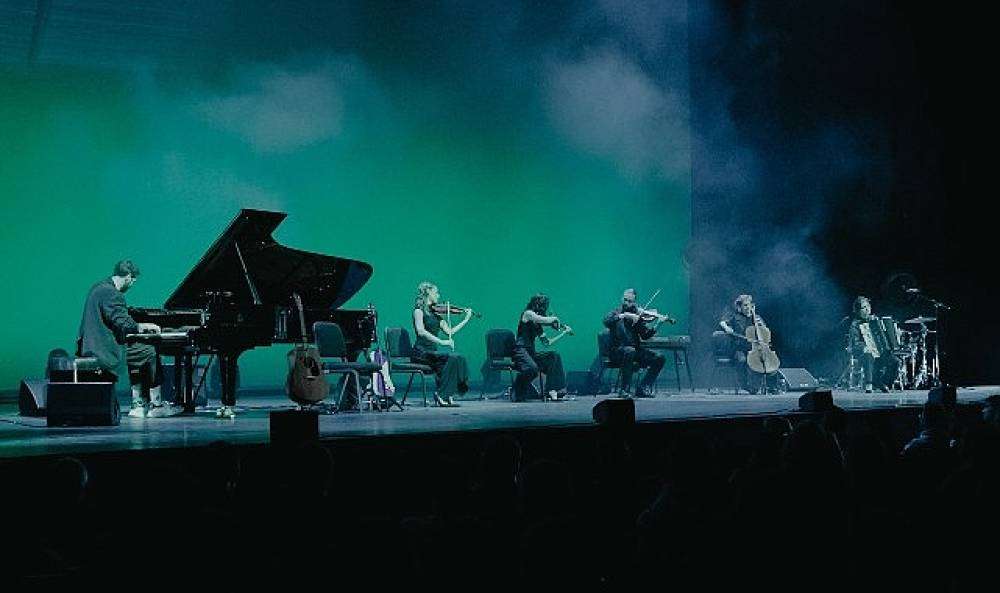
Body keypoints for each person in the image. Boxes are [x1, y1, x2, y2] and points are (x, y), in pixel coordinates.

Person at [77, 259, 181, 418]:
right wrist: (143, 326)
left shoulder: (99, 287)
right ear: (128, 277)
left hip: (92, 345)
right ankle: (156, 404)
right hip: (104, 349)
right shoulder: (112, 293)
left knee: (138, 348)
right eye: (133, 280)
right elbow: (122, 322)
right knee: (149, 351)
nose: (132, 284)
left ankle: (138, 404)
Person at [411, 281, 473, 406]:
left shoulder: (437, 315)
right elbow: (421, 331)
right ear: (428, 293)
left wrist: (466, 319)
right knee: (452, 358)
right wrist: (442, 342)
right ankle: (443, 394)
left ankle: (446, 393)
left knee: (458, 358)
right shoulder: (418, 311)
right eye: (436, 292)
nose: (438, 295)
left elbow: (450, 331)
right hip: (421, 353)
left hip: (432, 354)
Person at [603, 288, 666, 398]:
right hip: (617, 351)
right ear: (622, 299)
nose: (627, 303)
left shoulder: (637, 316)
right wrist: (625, 315)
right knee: (629, 351)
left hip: (634, 351)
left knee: (659, 358)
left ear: (634, 302)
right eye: (625, 300)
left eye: (630, 301)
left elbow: (645, 335)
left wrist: (658, 324)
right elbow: (606, 321)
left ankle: (643, 387)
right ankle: (624, 390)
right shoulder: (616, 312)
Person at [511, 294, 567, 401]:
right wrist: (555, 319)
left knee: (554, 357)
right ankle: (517, 389)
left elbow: (546, 343)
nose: (545, 308)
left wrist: (563, 333)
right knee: (532, 368)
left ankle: (552, 390)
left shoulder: (537, 324)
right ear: (537, 304)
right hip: (520, 351)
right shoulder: (528, 314)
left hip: (530, 352)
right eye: (544, 305)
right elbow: (543, 319)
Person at [719, 294, 777, 394]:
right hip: (739, 347)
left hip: (755, 348)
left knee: (763, 361)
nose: (747, 307)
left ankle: (766, 386)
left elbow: (765, 333)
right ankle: (744, 385)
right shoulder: (734, 317)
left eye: (749, 305)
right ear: (739, 307)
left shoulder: (757, 317)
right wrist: (726, 327)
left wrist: (761, 326)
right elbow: (722, 322)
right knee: (742, 360)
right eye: (745, 305)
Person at [847, 296, 900, 393]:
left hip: (880, 351)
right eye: (864, 307)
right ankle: (869, 383)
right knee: (869, 355)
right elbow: (854, 343)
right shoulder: (855, 324)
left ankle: (883, 382)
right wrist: (864, 347)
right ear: (858, 311)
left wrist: (895, 336)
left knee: (895, 361)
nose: (867, 309)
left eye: (868, 306)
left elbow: (885, 336)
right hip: (863, 353)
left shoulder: (876, 320)